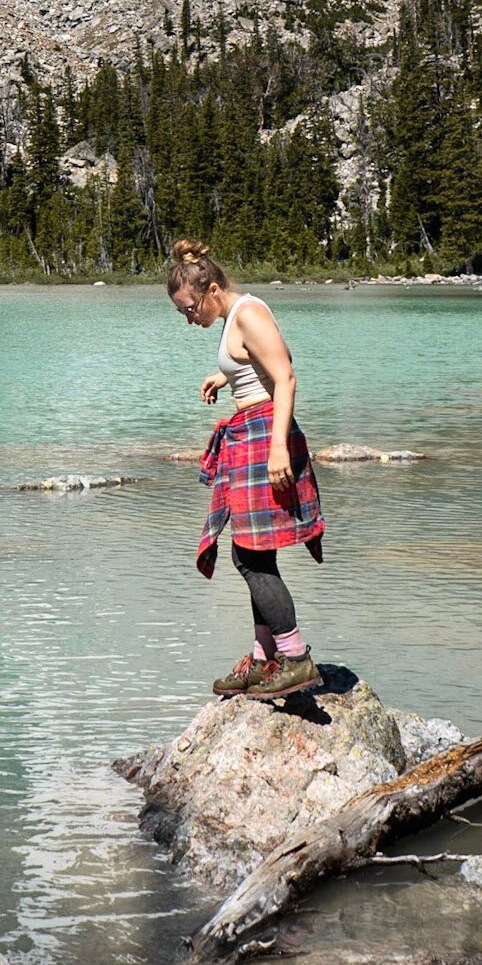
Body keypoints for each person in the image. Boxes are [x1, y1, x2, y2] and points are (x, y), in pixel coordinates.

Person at [166, 239, 323, 699]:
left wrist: (279, 449)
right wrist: (228, 375)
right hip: (251, 431)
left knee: (250, 555)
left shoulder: (249, 312)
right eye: (182, 313)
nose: (189, 319)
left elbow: (286, 375)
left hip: (264, 435)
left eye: (190, 308)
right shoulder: (234, 314)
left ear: (212, 289)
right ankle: (263, 658)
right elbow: (255, 364)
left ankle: (294, 659)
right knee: (252, 552)